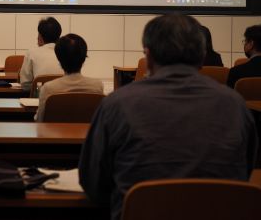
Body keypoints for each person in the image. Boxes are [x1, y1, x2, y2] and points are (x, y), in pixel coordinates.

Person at [79, 14, 257, 220]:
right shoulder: (235, 105)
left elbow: (94, 184)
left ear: (148, 56)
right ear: (202, 56)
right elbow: (245, 172)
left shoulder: (117, 104)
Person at [35, 34, 103, 121]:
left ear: (59, 58)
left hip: (54, 130)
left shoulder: (48, 88)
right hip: (86, 130)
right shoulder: (97, 86)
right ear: (84, 58)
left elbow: (40, 120)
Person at [19, 17, 64, 92]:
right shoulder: (67, 53)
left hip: (39, 98)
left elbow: (25, 84)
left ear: (40, 36)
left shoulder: (31, 53)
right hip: (63, 98)